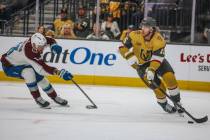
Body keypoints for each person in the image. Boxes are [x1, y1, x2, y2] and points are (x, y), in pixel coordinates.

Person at [119, 17, 184, 114]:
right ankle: (163, 104)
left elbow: (158, 58)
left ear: (152, 28)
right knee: (158, 87)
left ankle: (177, 102)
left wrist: (151, 69)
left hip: (157, 61)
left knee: (169, 77)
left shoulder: (159, 39)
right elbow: (121, 47)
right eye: (142, 26)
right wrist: (129, 56)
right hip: (142, 65)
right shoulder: (134, 35)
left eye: (146, 27)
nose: (142, 29)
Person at [0, 33, 73, 109]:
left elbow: (50, 39)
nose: (43, 49)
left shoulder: (37, 40)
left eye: (43, 46)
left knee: (41, 79)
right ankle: (37, 98)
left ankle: (55, 97)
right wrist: (59, 73)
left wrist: (53, 45)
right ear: (34, 45)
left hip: (23, 62)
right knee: (29, 73)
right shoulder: (29, 52)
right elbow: (42, 69)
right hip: (10, 66)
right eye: (40, 47)